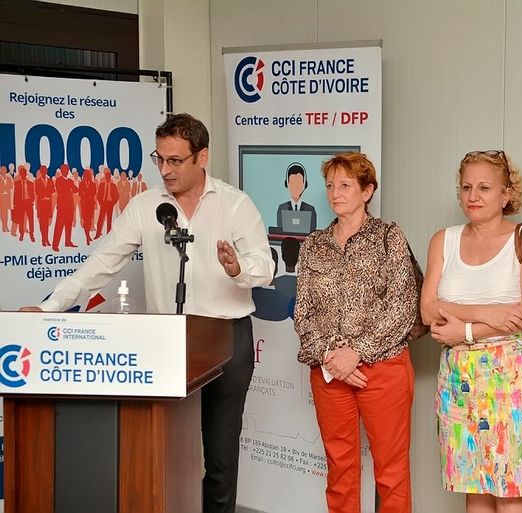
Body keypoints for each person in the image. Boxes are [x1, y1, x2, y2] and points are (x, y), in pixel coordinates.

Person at [20, 113, 275, 513]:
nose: (165, 170)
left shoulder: (234, 204)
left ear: (202, 157)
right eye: (160, 159)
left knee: (221, 454)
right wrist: (49, 306)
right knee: (164, 452)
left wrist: (237, 267)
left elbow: (265, 265)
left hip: (226, 338)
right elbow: (101, 264)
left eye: (175, 160)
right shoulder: (145, 207)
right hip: (167, 341)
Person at [420, 150, 522, 513]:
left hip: (514, 375)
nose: (473, 196)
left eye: (484, 187)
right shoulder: (444, 240)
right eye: (466, 188)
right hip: (458, 377)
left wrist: (463, 331)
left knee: (511, 488)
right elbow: (428, 310)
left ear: (507, 194)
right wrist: (487, 313)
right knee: (473, 486)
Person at [294, 152, 418, 513]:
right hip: (329, 370)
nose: (335, 193)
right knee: (340, 469)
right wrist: (331, 357)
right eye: (330, 185)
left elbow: (402, 306)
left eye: (345, 185)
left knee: (391, 472)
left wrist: (356, 353)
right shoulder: (314, 244)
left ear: (367, 191)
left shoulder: (388, 237)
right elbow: (303, 311)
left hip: (384, 370)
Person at [276, 161, 317, 233]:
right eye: (292, 182)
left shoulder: (311, 209)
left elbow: (313, 234)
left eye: (298, 182)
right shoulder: (281, 208)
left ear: (304, 184)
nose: (295, 186)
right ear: (287, 184)